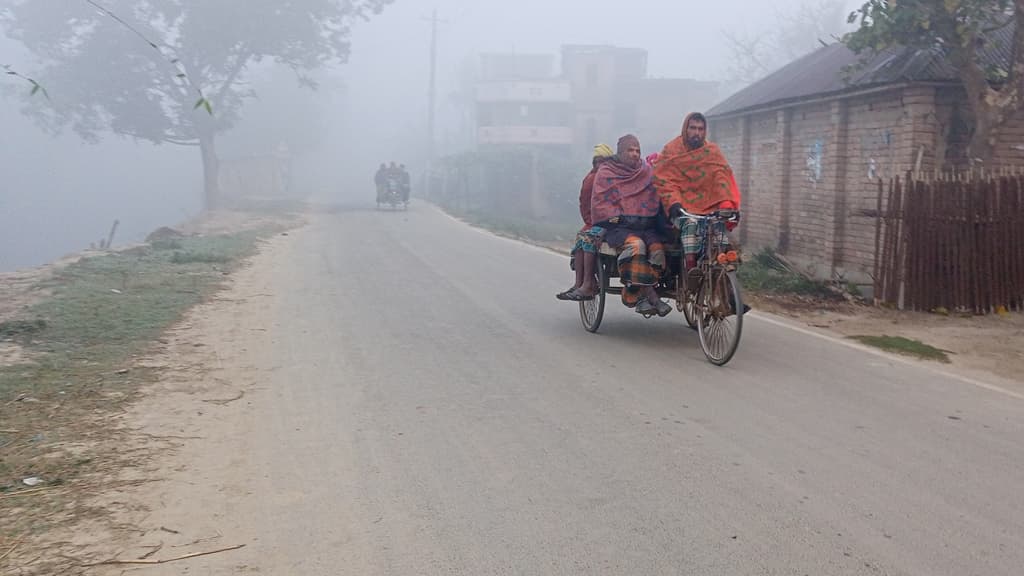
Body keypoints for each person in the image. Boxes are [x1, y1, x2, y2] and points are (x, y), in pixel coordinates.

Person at [654, 112, 742, 290]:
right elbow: (664, 180)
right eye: (693, 128)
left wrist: (726, 203)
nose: (697, 133)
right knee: (691, 224)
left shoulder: (712, 152)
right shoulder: (671, 150)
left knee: (721, 234)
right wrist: (674, 203)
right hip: (681, 209)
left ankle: (728, 288)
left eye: (700, 129)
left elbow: (721, 177)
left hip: (708, 208)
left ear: (705, 131)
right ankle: (691, 270)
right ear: (685, 128)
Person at [591, 134, 672, 317]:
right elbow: (601, 205)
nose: (635, 154)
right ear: (620, 152)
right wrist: (621, 218)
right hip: (618, 228)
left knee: (659, 249)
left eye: (638, 150)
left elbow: (656, 199)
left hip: (645, 227)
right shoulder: (606, 172)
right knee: (637, 246)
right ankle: (651, 296)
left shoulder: (646, 171)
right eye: (630, 150)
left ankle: (634, 291)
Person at [557, 143, 615, 302]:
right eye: (598, 162)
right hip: (597, 221)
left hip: (612, 221)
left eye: (603, 162)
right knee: (582, 238)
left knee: (587, 237)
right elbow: (585, 204)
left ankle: (586, 283)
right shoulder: (593, 178)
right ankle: (581, 284)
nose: (600, 166)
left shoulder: (611, 177)